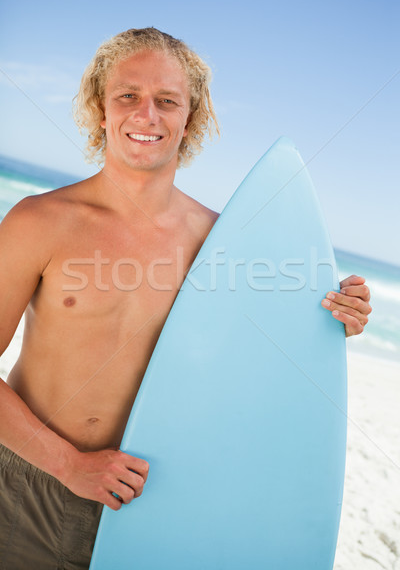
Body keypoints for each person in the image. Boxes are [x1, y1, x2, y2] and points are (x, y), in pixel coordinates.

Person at [0, 28, 372, 569]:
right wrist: (68, 465)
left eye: (167, 100)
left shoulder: (228, 245)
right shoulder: (39, 222)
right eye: (127, 96)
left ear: (190, 119)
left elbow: (270, 360)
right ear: (99, 110)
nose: (146, 114)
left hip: (164, 503)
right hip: (30, 489)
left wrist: (338, 316)